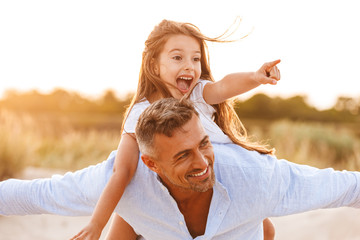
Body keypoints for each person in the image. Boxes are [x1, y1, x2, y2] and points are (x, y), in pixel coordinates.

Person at [2, 98, 360, 240]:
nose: (203, 163)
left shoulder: (258, 177)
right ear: (150, 163)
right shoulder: (122, 180)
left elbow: (345, 187)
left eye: (203, 144)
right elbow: (37, 194)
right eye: (183, 155)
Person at [67, 19, 280, 240]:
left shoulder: (198, 94)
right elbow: (121, 171)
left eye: (195, 59)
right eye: (177, 57)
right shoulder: (140, 114)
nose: (189, 65)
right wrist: (96, 223)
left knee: (267, 229)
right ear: (153, 65)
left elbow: (224, 86)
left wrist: (255, 78)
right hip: (160, 188)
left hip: (213, 183)